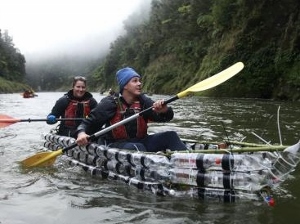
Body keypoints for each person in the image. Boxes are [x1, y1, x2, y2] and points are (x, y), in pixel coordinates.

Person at [76, 67, 187, 152]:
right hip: (115, 144)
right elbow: (87, 123)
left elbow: (166, 117)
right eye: (134, 81)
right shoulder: (110, 103)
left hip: (141, 142)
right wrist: (81, 134)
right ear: (125, 86)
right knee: (137, 147)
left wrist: (164, 110)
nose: (139, 83)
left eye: (139, 80)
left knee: (171, 136)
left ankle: (189, 164)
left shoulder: (144, 101)